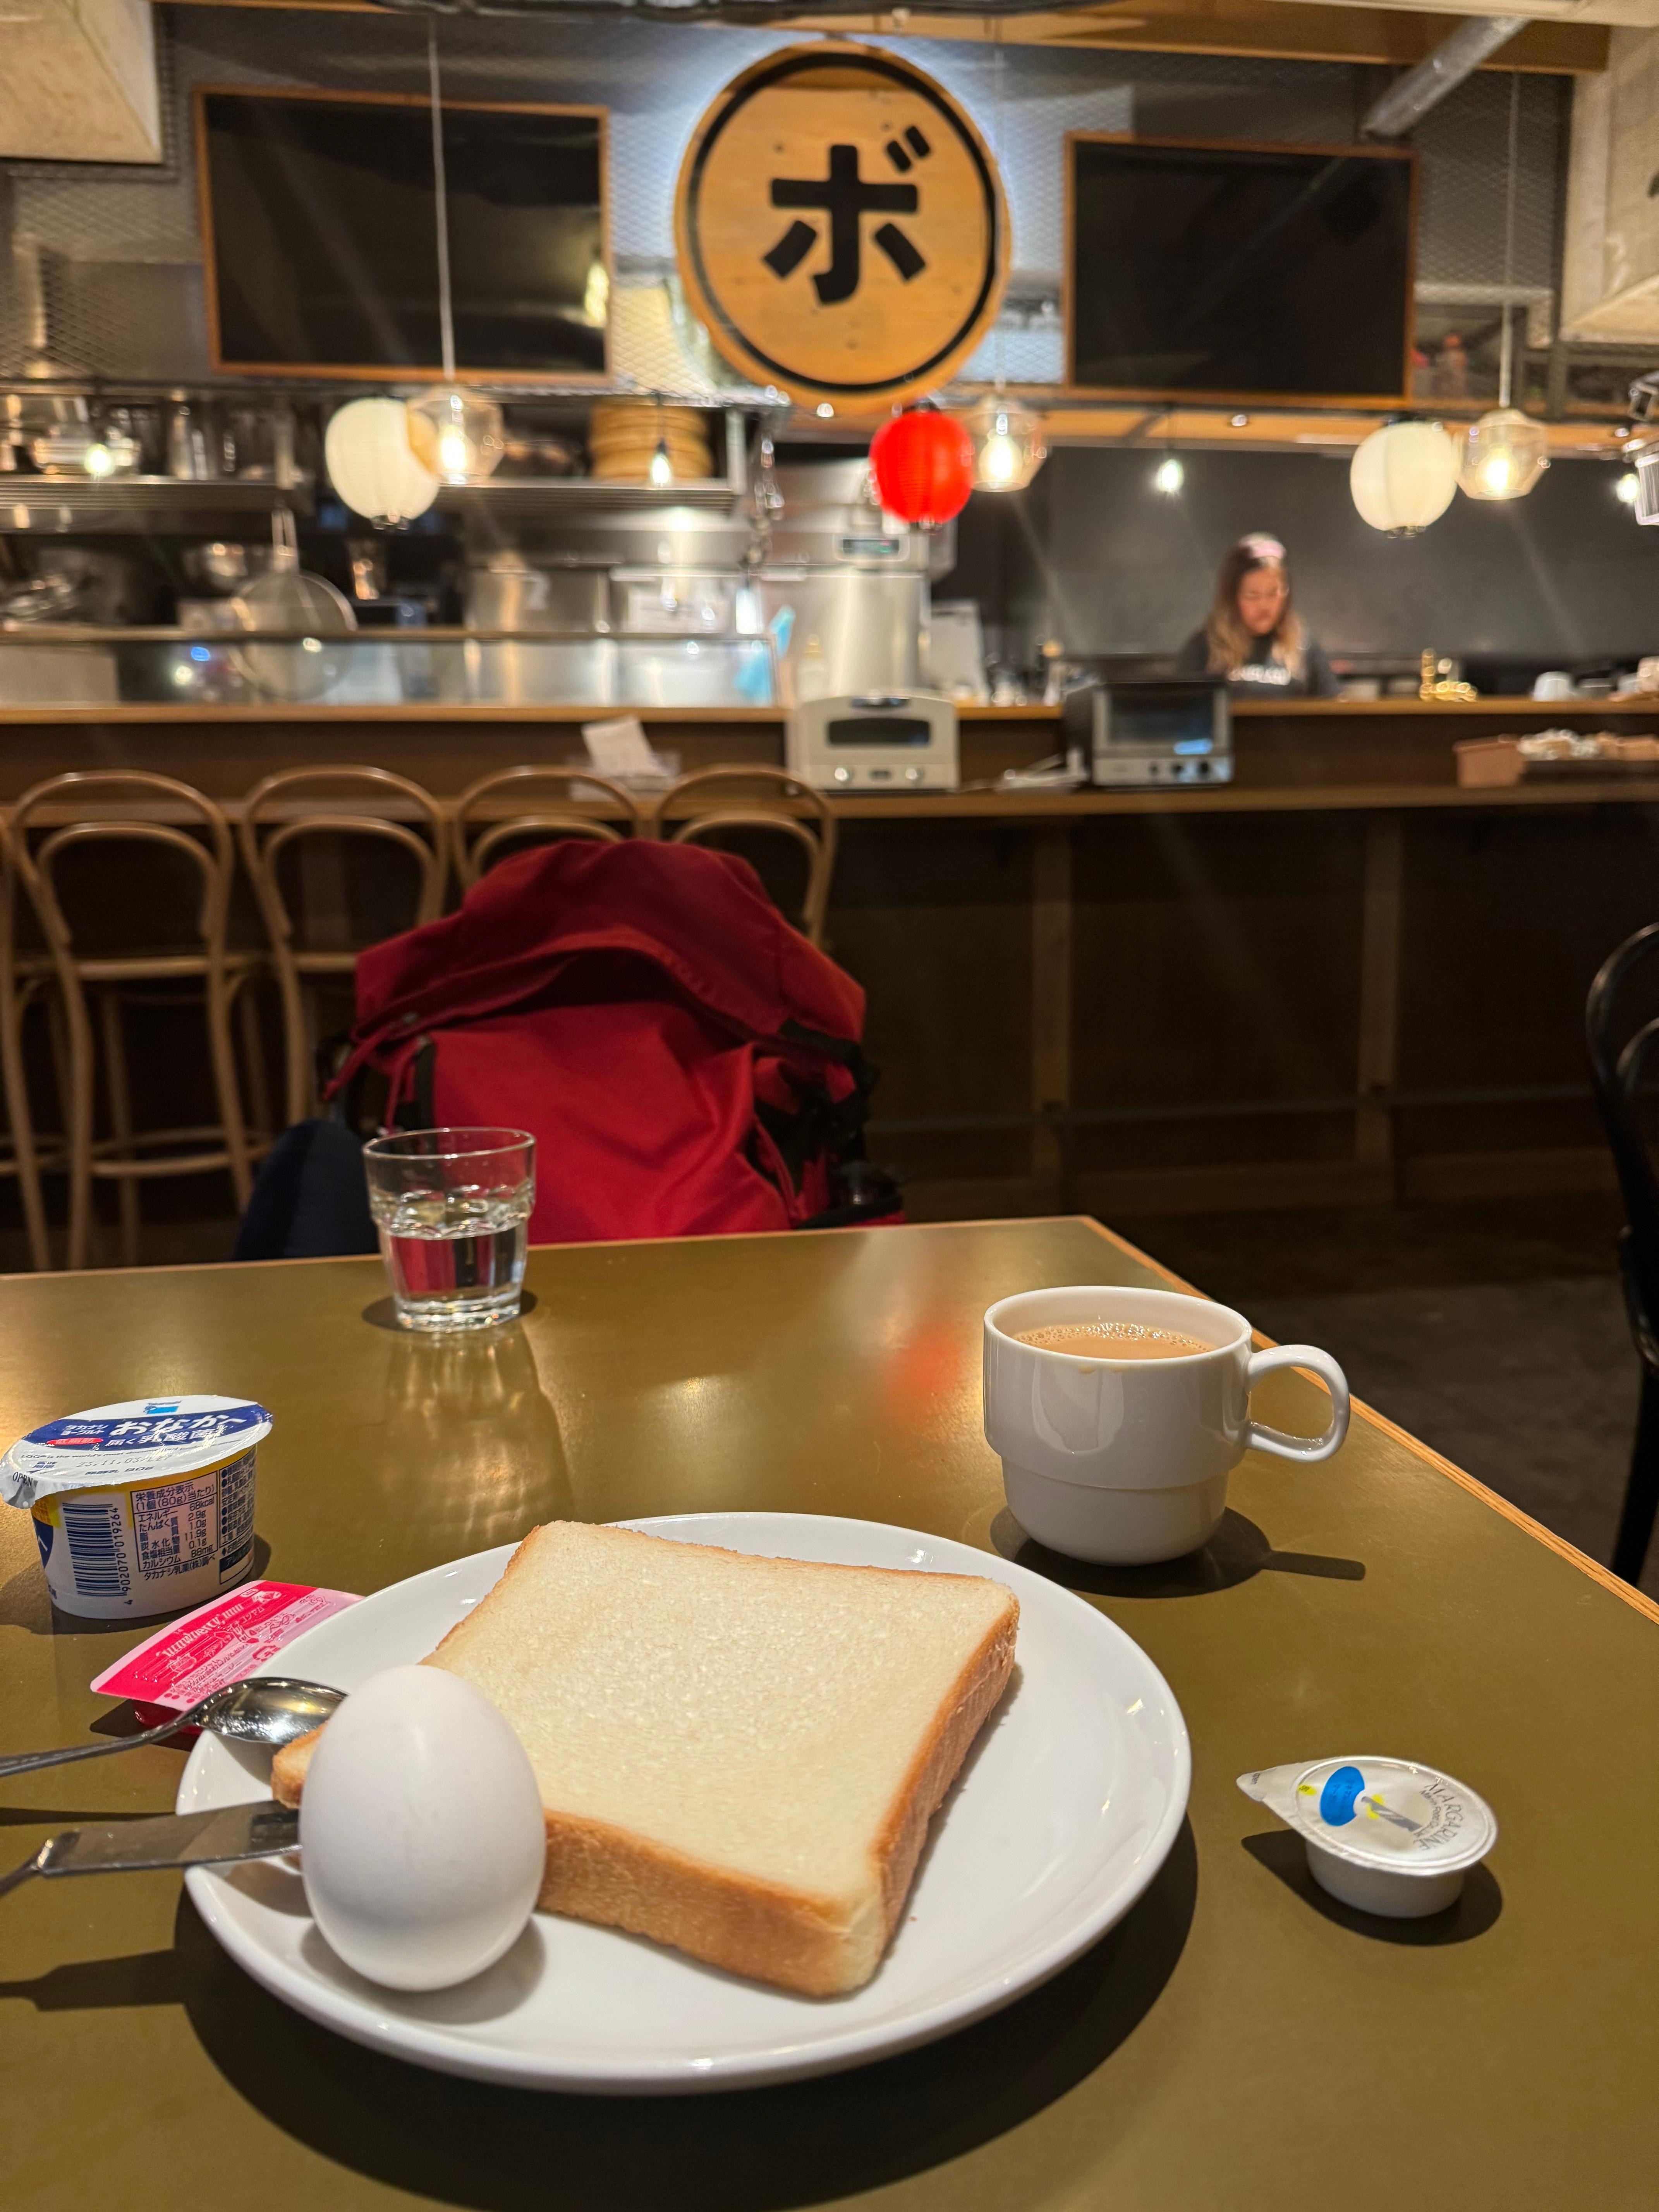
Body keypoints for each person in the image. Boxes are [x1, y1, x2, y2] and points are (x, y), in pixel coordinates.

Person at [1174, 534, 1340, 698]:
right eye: (1252, 595)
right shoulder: (1204, 646)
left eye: (1273, 593)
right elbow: (1181, 708)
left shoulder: (1303, 646)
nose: (1264, 606)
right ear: (1232, 597)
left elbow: (1333, 707)